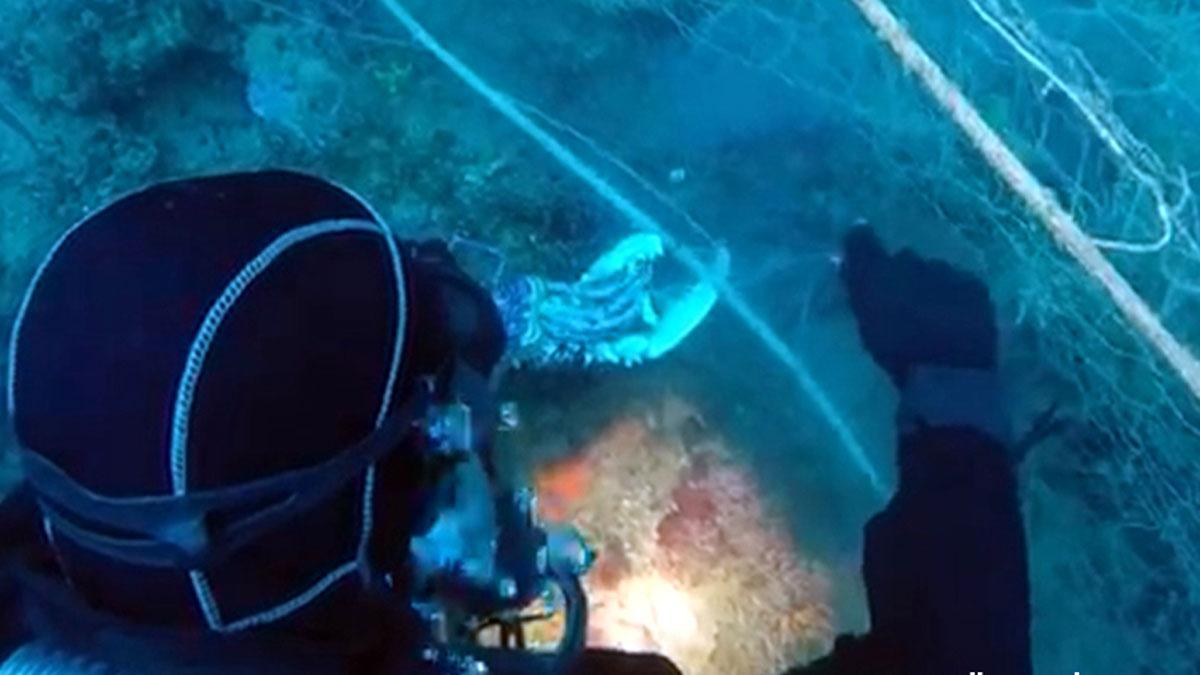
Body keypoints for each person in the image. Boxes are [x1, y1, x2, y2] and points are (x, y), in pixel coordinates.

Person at [0, 170, 1031, 674]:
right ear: (378, 510)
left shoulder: (82, 544)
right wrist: (954, 397)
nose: (476, 431)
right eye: (444, 408)